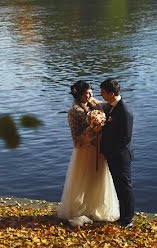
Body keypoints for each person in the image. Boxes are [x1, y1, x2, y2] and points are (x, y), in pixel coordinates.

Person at [56, 81, 119, 226]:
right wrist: (94, 128)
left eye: (91, 92)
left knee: (98, 178)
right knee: (84, 179)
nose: (90, 95)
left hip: (98, 148)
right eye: (86, 93)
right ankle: (79, 209)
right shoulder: (74, 111)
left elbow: (107, 106)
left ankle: (96, 208)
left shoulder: (93, 102)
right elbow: (76, 137)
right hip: (85, 151)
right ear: (78, 95)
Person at [99, 78, 135, 227]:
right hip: (113, 155)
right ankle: (123, 216)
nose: (101, 95)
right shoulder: (112, 107)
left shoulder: (124, 111)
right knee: (119, 187)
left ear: (111, 93)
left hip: (120, 155)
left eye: (103, 93)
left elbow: (126, 138)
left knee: (125, 187)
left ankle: (128, 219)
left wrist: (111, 152)